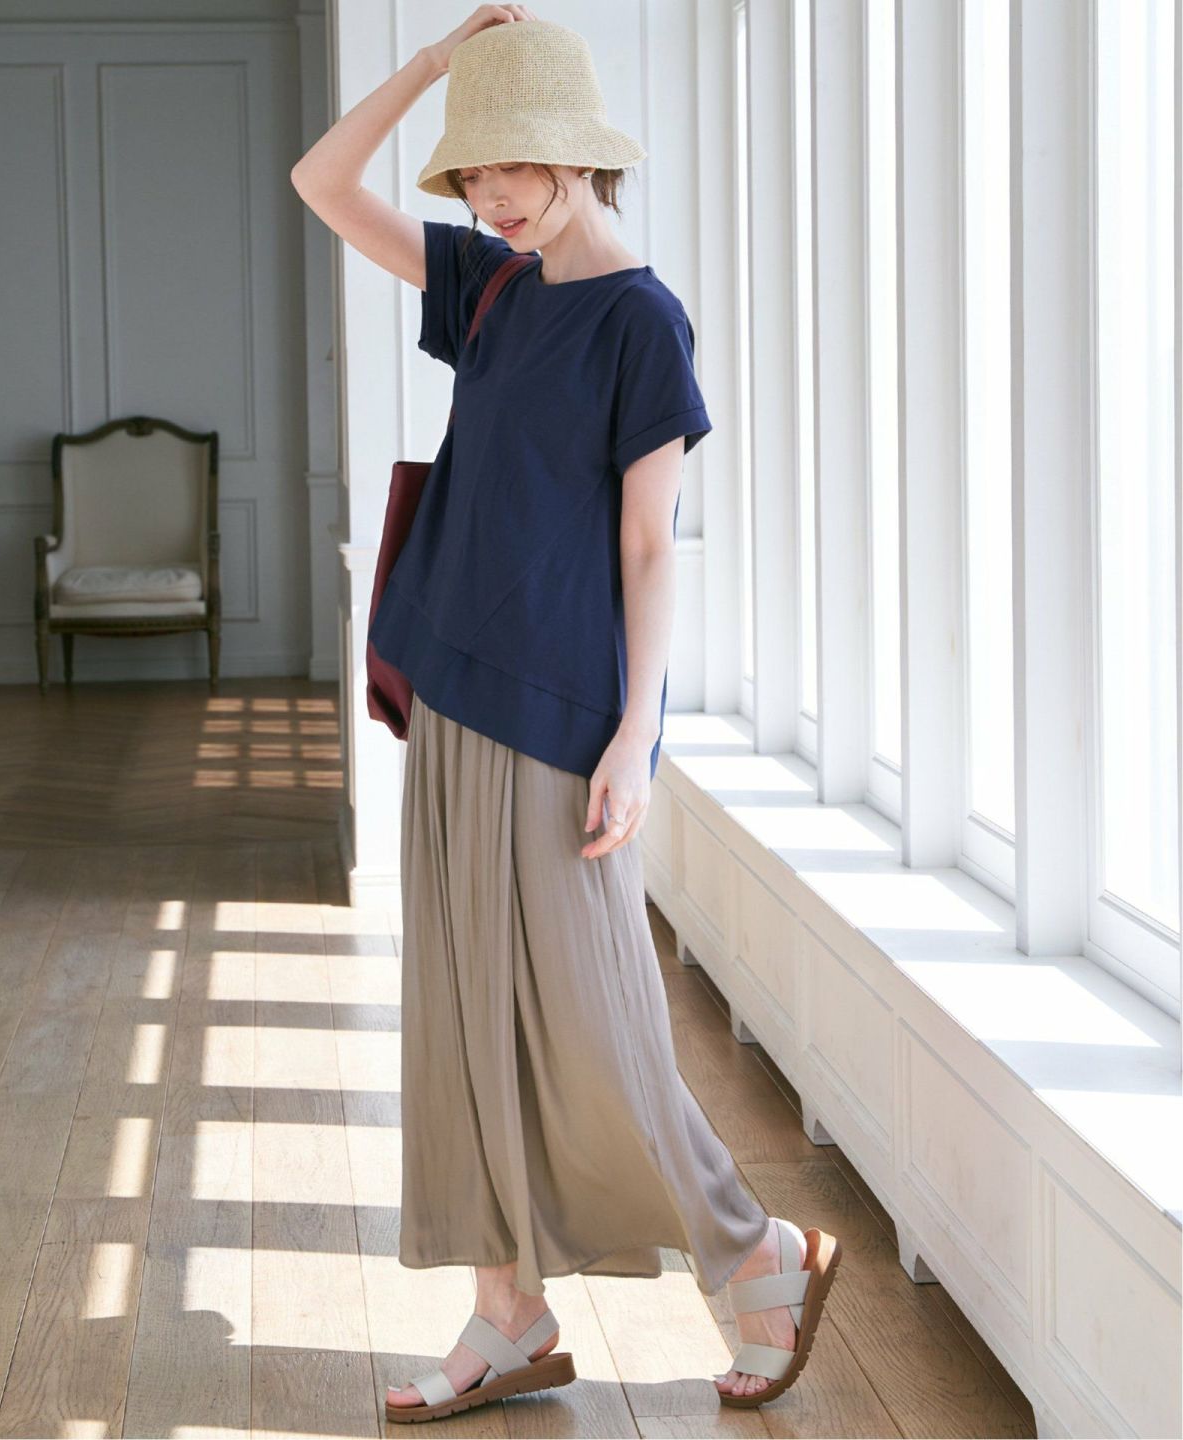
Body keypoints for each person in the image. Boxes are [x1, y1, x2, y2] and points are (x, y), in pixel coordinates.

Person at [292, 5, 842, 1424]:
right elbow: (321, 181)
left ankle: (757, 1252)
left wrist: (632, 741)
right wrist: (432, 67)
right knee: (460, 1010)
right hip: (450, 690)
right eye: (472, 170)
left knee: (600, 1017)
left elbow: (651, 548)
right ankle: (508, 1312)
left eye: (511, 164)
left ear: (578, 157)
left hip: (563, 715)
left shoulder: (641, 320)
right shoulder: (488, 286)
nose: (489, 193)